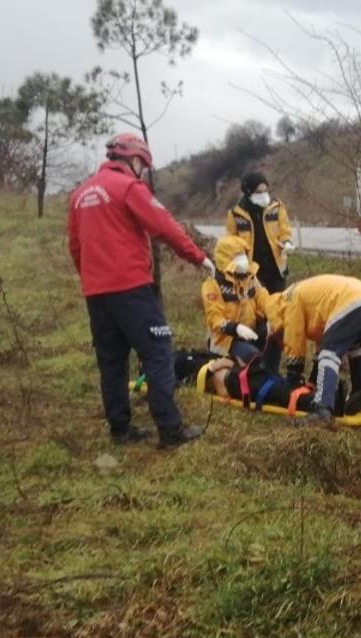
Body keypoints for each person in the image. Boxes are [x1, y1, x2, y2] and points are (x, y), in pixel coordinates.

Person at [67, 133, 212, 448]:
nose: (143, 171)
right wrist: (198, 257)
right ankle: (170, 430)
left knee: (112, 361)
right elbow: (164, 226)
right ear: (135, 161)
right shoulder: (129, 188)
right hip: (131, 289)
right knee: (158, 353)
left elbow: (76, 246)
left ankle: (120, 430)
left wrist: (92, 279)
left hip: (97, 294)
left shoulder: (80, 194)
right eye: (143, 166)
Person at [281, 274, 361, 425]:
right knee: (352, 341)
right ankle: (360, 391)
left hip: (352, 303)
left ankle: (322, 410)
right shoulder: (314, 298)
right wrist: (313, 380)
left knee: (329, 353)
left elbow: (295, 338)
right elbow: (325, 337)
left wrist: (294, 374)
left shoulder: (290, 300)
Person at [200, 235, 283, 373]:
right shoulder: (213, 285)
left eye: (243, 254)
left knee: (277, 336)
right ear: (226, 259)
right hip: (227, 340)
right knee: (252, 355)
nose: (243, 259)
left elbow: (264, 299)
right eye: (238, 256)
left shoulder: (250, 278)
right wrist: (236, 328)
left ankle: (271, 375)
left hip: (251, 331)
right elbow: (214, 319)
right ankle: (248, 379)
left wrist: (274, 315)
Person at [225, 172, 293, 294]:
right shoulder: (236, 214)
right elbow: (231, 241)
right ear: (248, 192)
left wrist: (286, 242)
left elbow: (285, 229)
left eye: (265, 191)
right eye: (258, 192)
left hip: (276, 267)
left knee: (279, 305)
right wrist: (239, 258)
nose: (263, 195)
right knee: (260, 307)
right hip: (252, 270)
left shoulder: (276, 207)